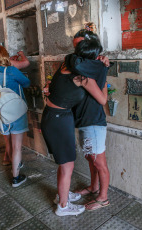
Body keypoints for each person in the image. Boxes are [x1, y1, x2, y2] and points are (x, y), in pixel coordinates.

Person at [41, 38, 108, 216]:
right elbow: (102, 100)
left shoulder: (67, 63)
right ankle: (63, 206)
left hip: (52, 116)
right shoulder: (83, 77)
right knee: (67, 166)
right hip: (59, 120)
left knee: (64, 164)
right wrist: (104, 78)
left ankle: (61, 196)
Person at [67, 29, 111, 211]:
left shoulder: (92, 65)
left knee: (99, 162)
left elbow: (102, 98)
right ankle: (94, 187)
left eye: (80, 45)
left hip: (93, 122)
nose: (77, 49)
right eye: (75, 45)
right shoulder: (93, 65)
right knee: (90, 158)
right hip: (85, 121)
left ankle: (103, 197)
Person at [0, 46, 30, 187]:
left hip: (0, 114)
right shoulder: (12, 71)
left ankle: (11, 161)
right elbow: (27, 83)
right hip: (16, 112)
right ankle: (16, 177)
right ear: (5, 56)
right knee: (17, 146)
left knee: (8, 141)